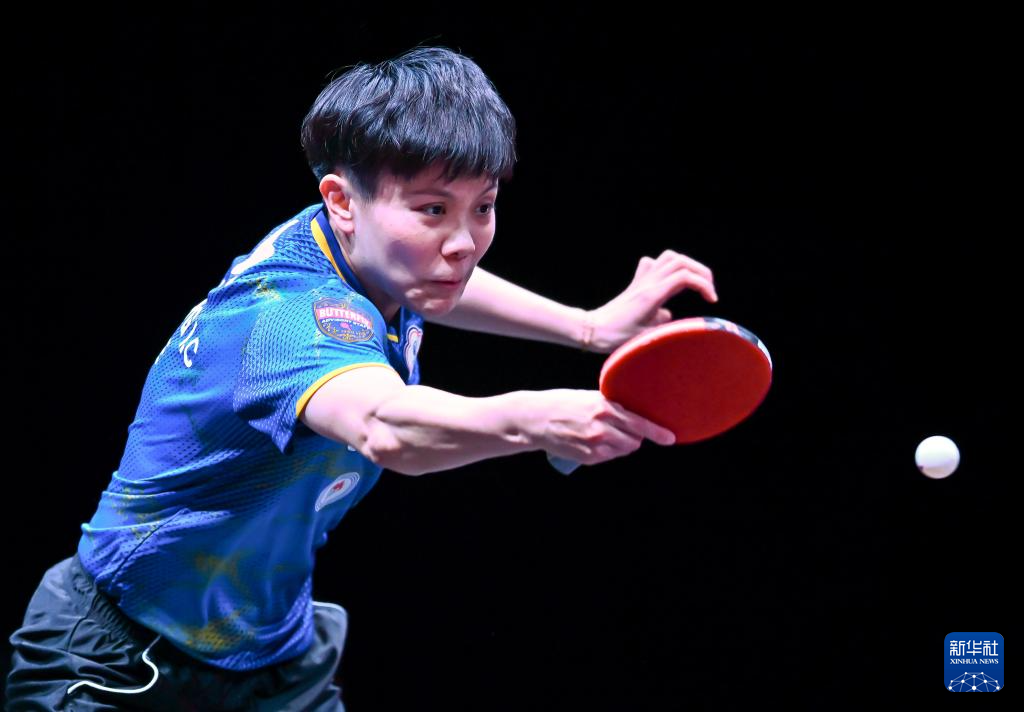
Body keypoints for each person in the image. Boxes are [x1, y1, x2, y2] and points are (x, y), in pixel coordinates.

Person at [6, 45, 718, 710]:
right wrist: (535, 419)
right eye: (433, 209)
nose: (463, 243)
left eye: (484, 206)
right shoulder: (284, 316)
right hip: (118, 654)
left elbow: (443, 282)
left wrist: (589, 328)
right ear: (342, 200)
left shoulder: (377, 256)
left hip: (273, 661)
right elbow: (385, 429)